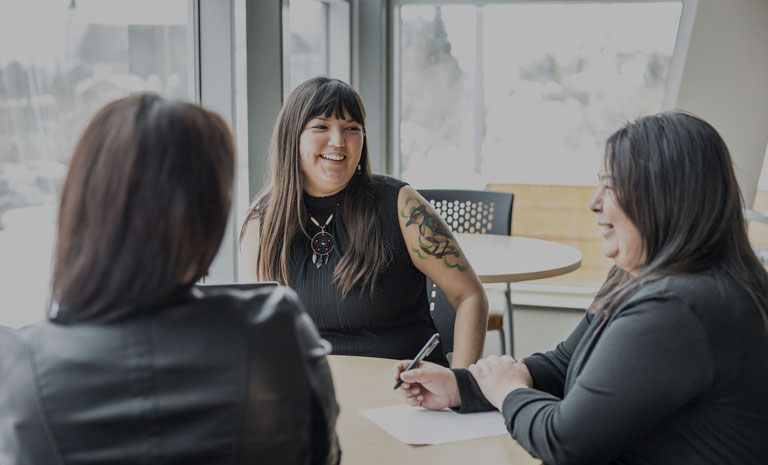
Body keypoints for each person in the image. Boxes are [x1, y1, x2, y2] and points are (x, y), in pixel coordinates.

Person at [394, 112, 768, 464]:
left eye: (612, 187)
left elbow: (564, 442)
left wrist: (507, 392)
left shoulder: (680, 307)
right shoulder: (638, 273)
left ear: (664, 197)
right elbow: (564, 362)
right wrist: (464, 387)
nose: (594, 203)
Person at [0, 94, 340, 465]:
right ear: (209, 216)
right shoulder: (274, 330)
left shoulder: (23, 367)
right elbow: (325, 456)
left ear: (80, 207)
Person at [240, 77, 488, 368]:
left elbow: (470, 296)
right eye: (321, 126)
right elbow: (262, 329)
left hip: (407, 396)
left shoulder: (401, 205)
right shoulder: (262, 222)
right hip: (317, 398)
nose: (338, 141)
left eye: (352, 129)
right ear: (291, 138)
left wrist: (460, 387)